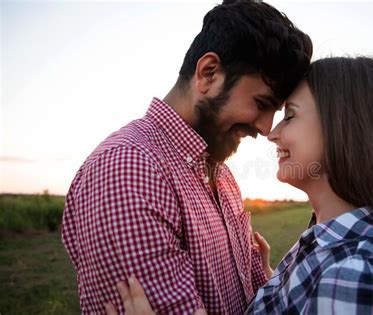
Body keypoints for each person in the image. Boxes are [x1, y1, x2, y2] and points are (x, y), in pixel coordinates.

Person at [105, 57, 373, 315]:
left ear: (346, 129)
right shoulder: (325, 246)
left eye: (291, 115)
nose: (271, 132)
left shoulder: (359, 277)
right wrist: (276, 285)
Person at [60, 0, 312, 314]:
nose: (264, 127)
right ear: (208, 73)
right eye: (261, 103)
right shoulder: (128, 170)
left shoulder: (221, 175)